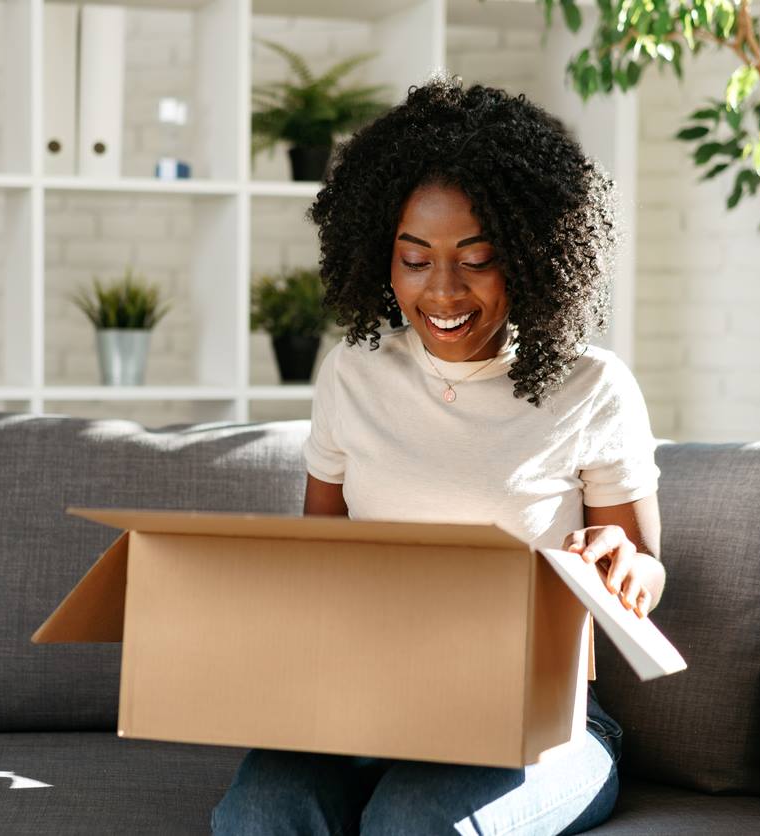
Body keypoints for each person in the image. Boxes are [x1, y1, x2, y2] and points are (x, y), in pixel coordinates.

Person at [212, 75, 664, 836]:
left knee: (413, 824)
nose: (443, 291)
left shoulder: (593, 386)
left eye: (476, 258)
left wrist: (622, 560)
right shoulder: (353, 377)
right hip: (366, 706)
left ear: (528, 254)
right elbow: (319, 559)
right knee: (258, 814)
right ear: (379, 259)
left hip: (538, 718)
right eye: (414, 259)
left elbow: (645, 577)